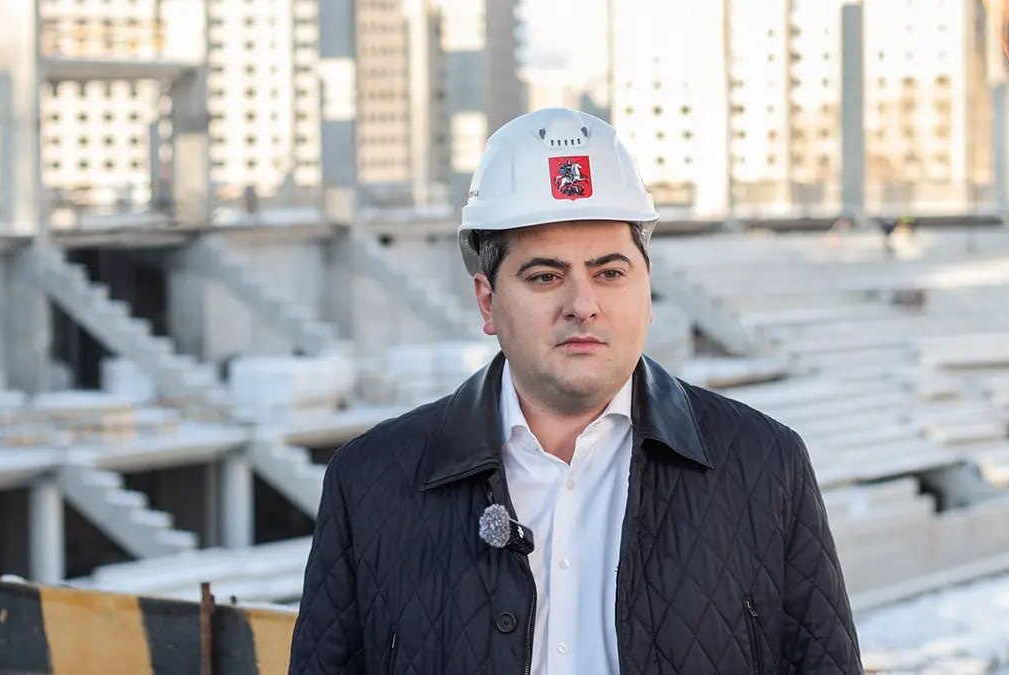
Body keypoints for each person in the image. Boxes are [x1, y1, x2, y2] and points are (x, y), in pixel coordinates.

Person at [288, 108, 862, 674]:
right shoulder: (370, 482)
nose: (582, 305)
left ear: (647, 289)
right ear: (487, 301)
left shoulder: (765, 465)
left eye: (610, 273)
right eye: (545, 276)